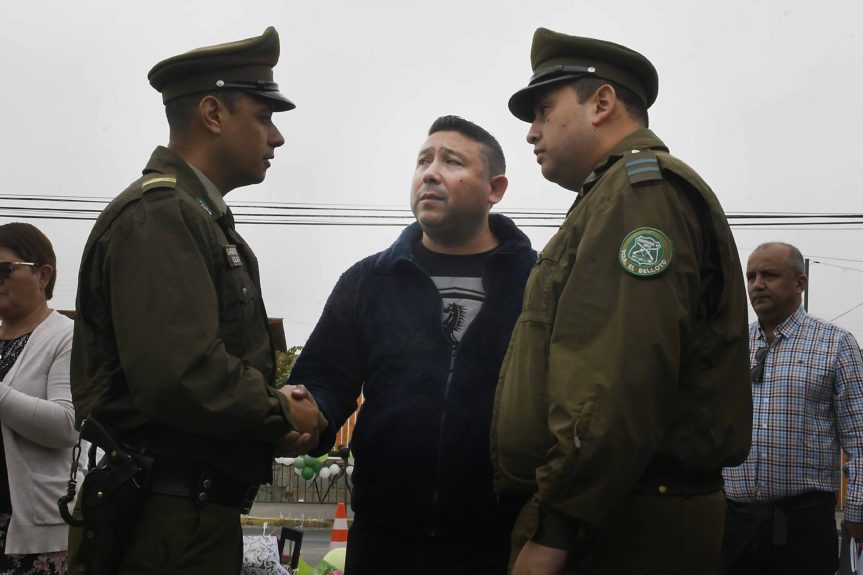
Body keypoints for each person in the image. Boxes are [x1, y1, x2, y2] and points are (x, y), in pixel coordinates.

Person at [492, 28, 752, 574]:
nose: (531, 133)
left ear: (602, 103)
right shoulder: (611, 195)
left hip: (628, 520)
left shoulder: (639, 193)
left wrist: (555, 529)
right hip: (614, 508)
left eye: (543, 110)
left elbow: (615, 380)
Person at [69, 28, 323, 575]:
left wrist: (268, 420)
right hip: (166, 520)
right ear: (212, 112)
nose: (276, 137)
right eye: (263, 116)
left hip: (189, 512)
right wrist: (280, 408)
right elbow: (178, 374)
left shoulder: (198, 218)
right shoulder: (162, 214)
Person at [288, 115, 536, 574]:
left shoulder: (539, 284)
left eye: (452, 161)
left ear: (495, 189)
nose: (431, 172)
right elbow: (324, 379)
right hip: (383, 543)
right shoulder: (369, 281)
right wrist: (304, 409)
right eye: (423, 160)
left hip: (503, 544)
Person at [720, 242, 863, 574]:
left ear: (801, 283)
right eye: (751, 276)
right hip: (734, 522)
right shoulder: (731, 344)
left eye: (769, 274)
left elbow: (859, 439)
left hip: (805, 525)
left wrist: (857, 511)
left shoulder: (835, 344)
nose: (757, 284)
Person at [0, 222, 80, 575]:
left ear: (42, 275)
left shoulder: (67, 337)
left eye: (4, 269)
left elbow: (66, 425)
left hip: (36, 532)